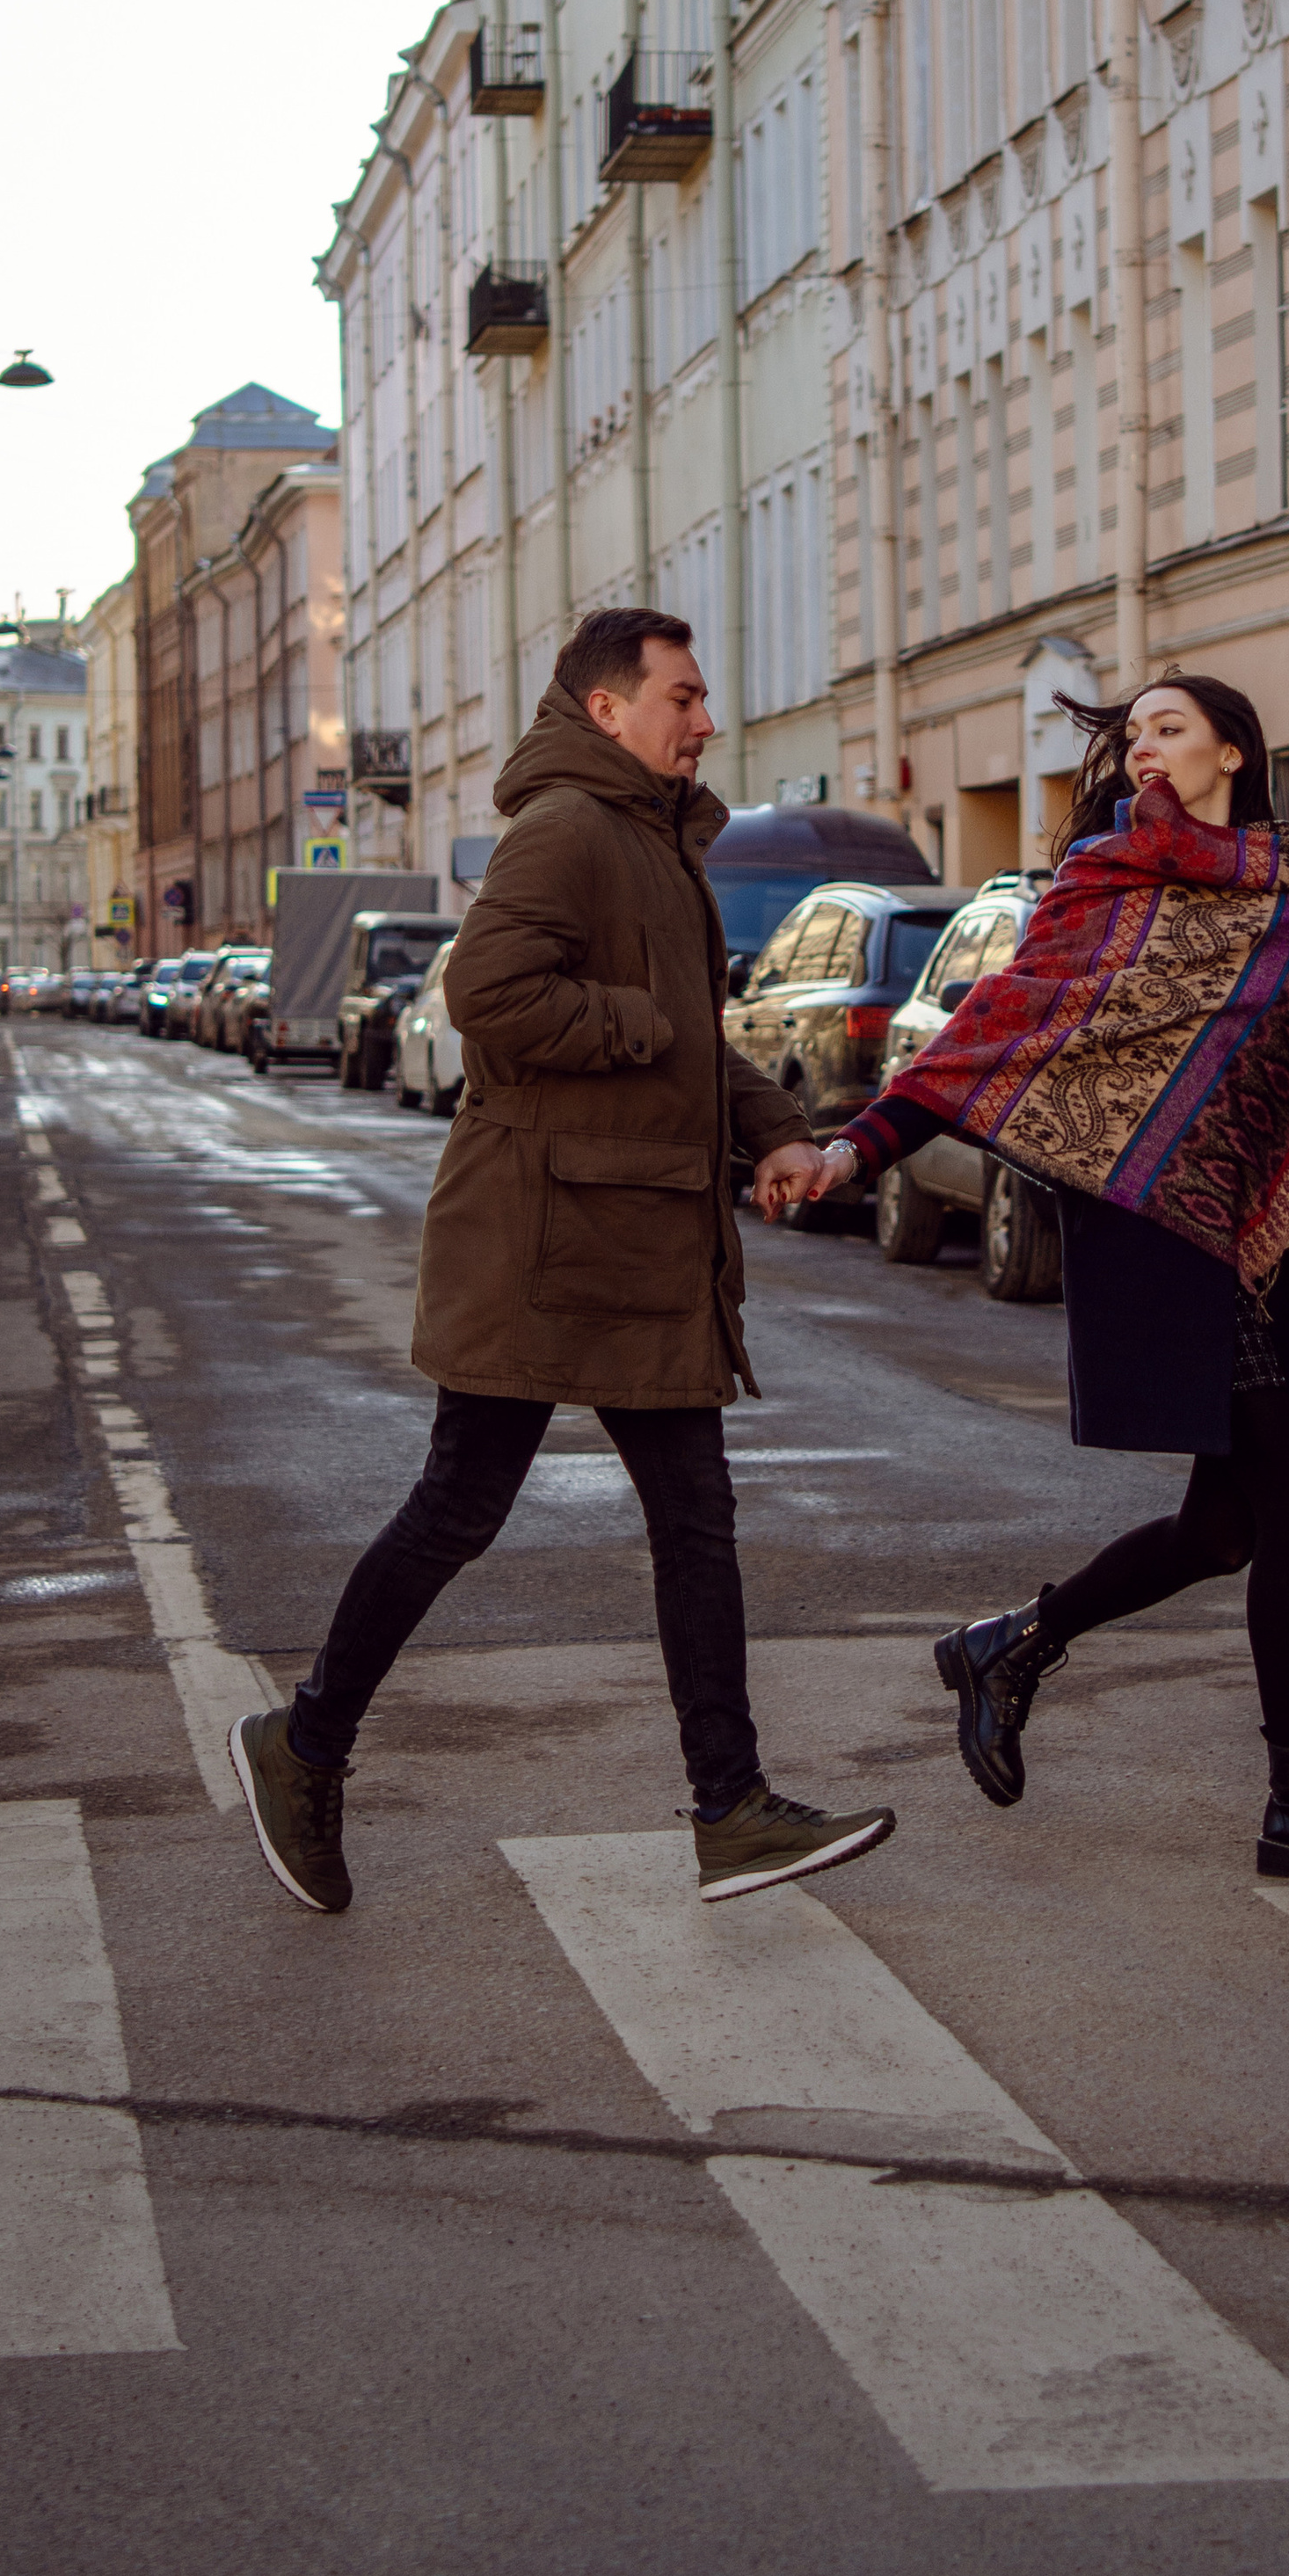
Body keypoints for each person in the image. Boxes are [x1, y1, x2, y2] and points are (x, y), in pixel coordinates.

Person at [809, 675, 1289, 1886]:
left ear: (1236, 747)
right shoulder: (1104, 884)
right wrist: (853, 1148)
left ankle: (1011, 1644)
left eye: (1167, 730)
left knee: (1221, 1526)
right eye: (1131, 739)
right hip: (1163, 1237)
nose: (1142, 753)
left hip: (1279, 1242)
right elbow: (994, 1038)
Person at [229, 609, 899, 1916]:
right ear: (609, 710)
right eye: (685, 698)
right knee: (460, 1509)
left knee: (693, 1520)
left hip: (632, 1237)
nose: (706, 721)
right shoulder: (570, 832)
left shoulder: (653, 844)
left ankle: (732, 1807)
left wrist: (775, 1130)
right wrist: (639, 1023)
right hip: (539, 1244)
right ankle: (304, 1744)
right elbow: (486, 995)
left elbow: (701, 1046)